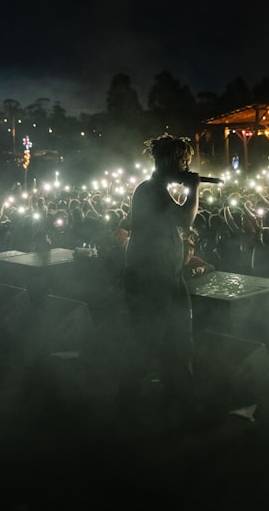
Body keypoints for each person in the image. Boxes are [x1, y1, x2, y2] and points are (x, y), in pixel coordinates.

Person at [116, 133, 203, 431]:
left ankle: (178, 407)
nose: (187, 166)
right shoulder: (150, 190)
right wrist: (193, 189)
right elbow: (184, 219)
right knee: (148, 344)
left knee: (177, 345)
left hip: (166, 277)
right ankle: (124, 412)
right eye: (183, 160)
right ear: (169, 160)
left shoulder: (153, 189)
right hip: (152, 280)